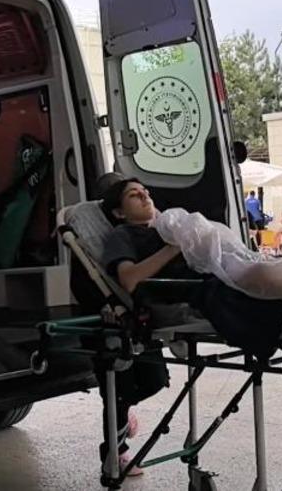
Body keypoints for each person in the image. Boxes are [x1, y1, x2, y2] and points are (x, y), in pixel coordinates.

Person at [95, 178, 203, 476]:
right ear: (119, 212)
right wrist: (172, 248)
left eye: (146, 192)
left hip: (190, 292)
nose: (145, 197)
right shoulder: (123, 235)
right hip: (145, 312)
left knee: (154, 381)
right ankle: (115, 447)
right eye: (134, 194)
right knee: (122, 388)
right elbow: (129, 279)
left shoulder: (166, 230)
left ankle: (122, 411)